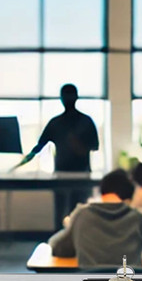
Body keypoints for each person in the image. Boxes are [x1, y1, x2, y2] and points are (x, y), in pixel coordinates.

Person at [48, 168, 142, 269]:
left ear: (102, 191)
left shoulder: (82, 215)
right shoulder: (136, 217)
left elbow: (58, 248)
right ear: (129, 198)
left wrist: (73, 229)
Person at [15, 83, 100, 226]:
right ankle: (62, 237)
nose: (68, 99)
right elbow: (40, 145)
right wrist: (28, 157)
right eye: (66, 96)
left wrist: (77, 145)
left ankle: (70, 237)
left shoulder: (83, 122)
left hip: (81, 175)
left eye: (69, 96)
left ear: (76, 97)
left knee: (78, 214)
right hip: (62, 175)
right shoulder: (58, 122)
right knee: (62, 213)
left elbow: (94, 146)